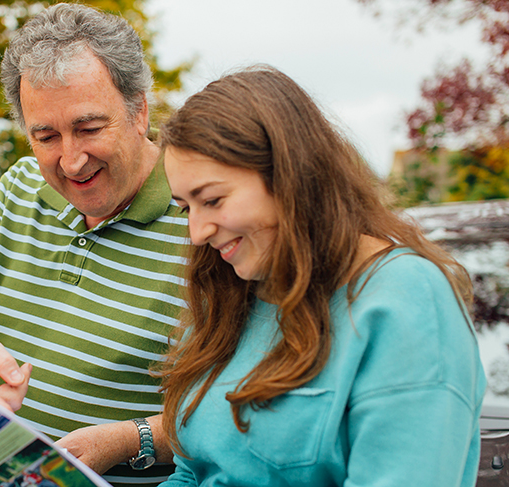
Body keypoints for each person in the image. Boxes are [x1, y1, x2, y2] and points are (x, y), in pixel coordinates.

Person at [156, 66, 486, 486]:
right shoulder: (229, 296)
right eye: (186, 208)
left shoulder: (405, 300)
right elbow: (193, 471)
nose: (197, 233)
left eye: (213, 200)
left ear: (289, 175)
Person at [0, 4, 188, 485]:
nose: (72, 161)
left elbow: (239, 403)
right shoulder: (18, 186)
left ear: (139, 110)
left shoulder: (201, 215)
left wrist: (127, 439)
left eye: (89, 128)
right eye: (46, 136)